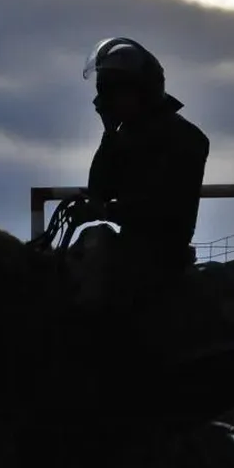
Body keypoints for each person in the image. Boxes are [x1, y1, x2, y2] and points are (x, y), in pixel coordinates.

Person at [72, 36, 210, 312]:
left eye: (116, 92)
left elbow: (162, 208)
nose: (107, 101)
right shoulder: (127, 137)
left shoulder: (184, 138)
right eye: (106, 92)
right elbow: (101, 187)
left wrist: (105, 212)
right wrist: (109, 135)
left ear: (144, 91)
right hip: (131, 249)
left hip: (160, 257)